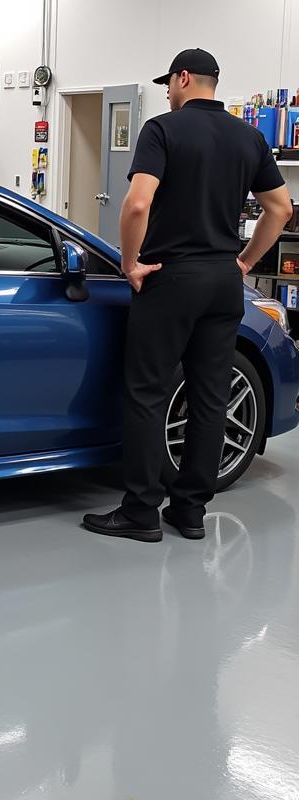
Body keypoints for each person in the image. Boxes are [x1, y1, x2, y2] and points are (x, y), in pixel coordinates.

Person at [83, 49, 293, 542]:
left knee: (147, 392)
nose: (168, 94)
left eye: (169, 85)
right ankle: (191, 510)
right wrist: (243, 261)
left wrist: (130, 263)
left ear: (183, 78)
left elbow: (137, 204)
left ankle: (140, 511)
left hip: (171, 277)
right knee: (209, 394)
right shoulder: (250, 137)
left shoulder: (163, 129)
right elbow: (280, 209)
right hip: (224, 281)